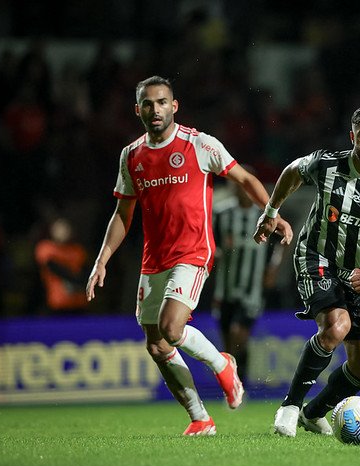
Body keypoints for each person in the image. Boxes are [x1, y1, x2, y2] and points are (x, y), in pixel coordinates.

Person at [86, 75, 293, 436]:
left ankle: (222, 365)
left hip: (194, 251)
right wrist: (101, 259)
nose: (155, 109)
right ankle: (200, 418)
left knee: (171, 326)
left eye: (162, 102)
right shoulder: (132, 156)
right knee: (156, 343)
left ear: (174, 106)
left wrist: (272, 213)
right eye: (148, 103)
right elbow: (123, 214)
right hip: (154, 260)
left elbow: (243, 178)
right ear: (138, 110)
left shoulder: (199, 144)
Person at [255, 104, 360, 438]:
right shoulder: (328, 164)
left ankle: (314, 412)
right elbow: (291, 171)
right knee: (336, 325)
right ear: (352, 137)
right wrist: (272, 210)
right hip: (317, 257)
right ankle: (290, 406)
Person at [212, 176, 285, 385]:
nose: (240, 191)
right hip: (224, 289)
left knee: (238, 336)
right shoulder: (222, 213)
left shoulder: (264, 216)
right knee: (228, 342)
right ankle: (236, 382)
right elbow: (209, 241)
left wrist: (273, 269)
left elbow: (283, 240)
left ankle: (239, 382)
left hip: (252, 290)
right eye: (236, 187)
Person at [34, 217, 89, 313]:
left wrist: (80, 281)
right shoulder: (45, 248)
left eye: (65, 228)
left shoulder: (78, 250)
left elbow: (85, 271)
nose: (62, 232)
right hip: (56, 304)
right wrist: (75, 279)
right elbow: (55, 268)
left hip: (78, 303)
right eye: (58, 228)